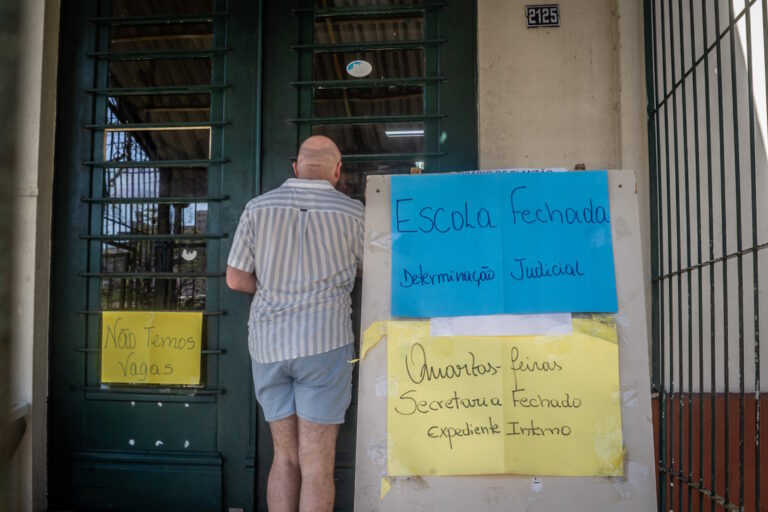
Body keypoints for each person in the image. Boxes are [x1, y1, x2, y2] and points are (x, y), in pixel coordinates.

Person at [225, 135, 364, 512]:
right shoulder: (353, 214)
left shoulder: (258, 208)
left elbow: (236, 279)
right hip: (325, 343)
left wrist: (272, 288)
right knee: (318, 466)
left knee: (284, 458)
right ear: (337, 171)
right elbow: (375, 271)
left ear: (295, 168)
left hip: (269, 345)